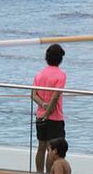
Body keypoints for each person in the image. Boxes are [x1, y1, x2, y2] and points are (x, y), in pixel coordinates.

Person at [32, 44, 67, 173]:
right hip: (55, 117)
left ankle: (39, 172)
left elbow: (33, 95)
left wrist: (43, 106)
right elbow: (55, 96)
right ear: (60, 59)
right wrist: (48, 111)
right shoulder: (61, 75)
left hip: (40, 116)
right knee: (52, 150)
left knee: (41, 147)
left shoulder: (39, 74)